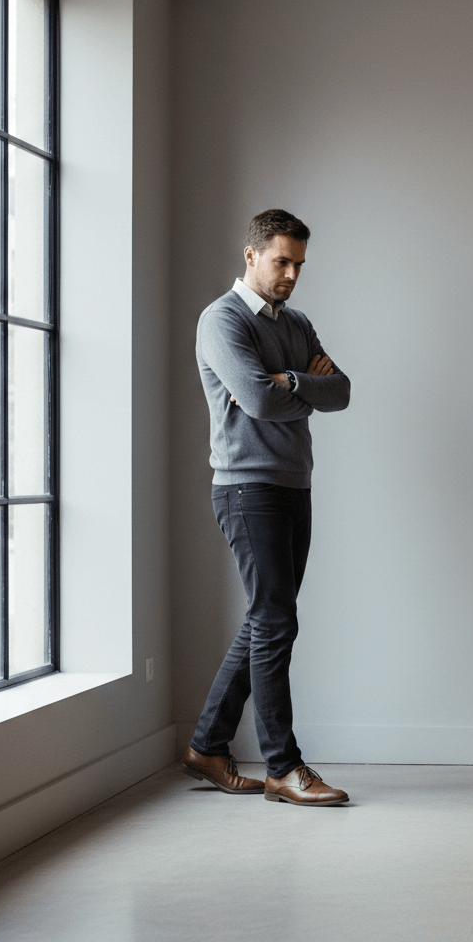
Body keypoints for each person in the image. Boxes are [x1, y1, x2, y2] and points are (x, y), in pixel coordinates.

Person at [182, 209, 352, 806]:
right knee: (276, 620)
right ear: (250, 255)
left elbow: (343, 392)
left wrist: (294, 381)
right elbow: (254, 399)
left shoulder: (297, 323)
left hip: (292, 484)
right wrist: (297, 382)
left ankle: (207, 746)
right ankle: (283, 766)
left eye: (299, 265)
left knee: (266, 619)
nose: (291, 275)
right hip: (245, 487)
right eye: (281, 261)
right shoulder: (220, 320)